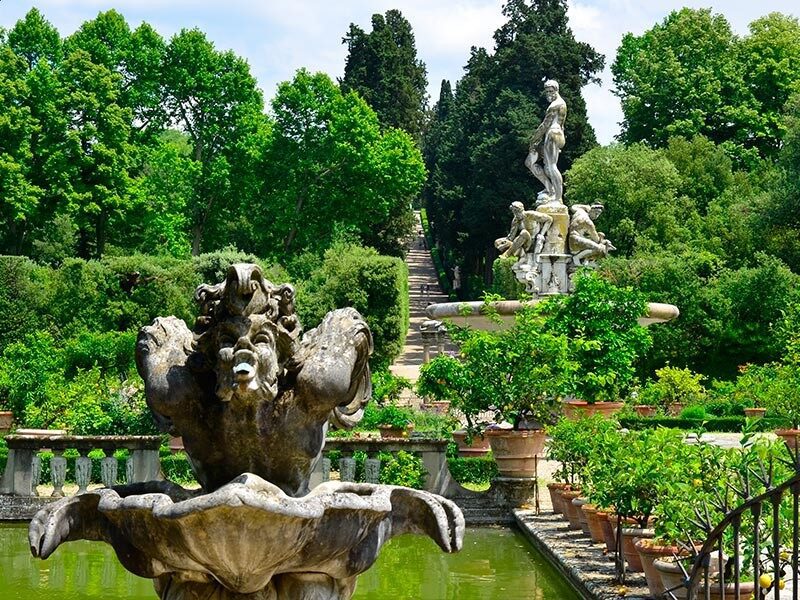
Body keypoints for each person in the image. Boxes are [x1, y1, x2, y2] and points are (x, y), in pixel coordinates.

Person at [525, 80, 567, 204]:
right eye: (547, 91)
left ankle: (558, 198)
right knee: (530, 162)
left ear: (556, 90)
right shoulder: (560, 103)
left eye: (551, 91)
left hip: (553, 134)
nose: (548, 93)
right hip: (555, 135)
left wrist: (533, 141)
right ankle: (550, 189)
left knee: (551, 166)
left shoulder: (555, 105)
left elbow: (544, 125)